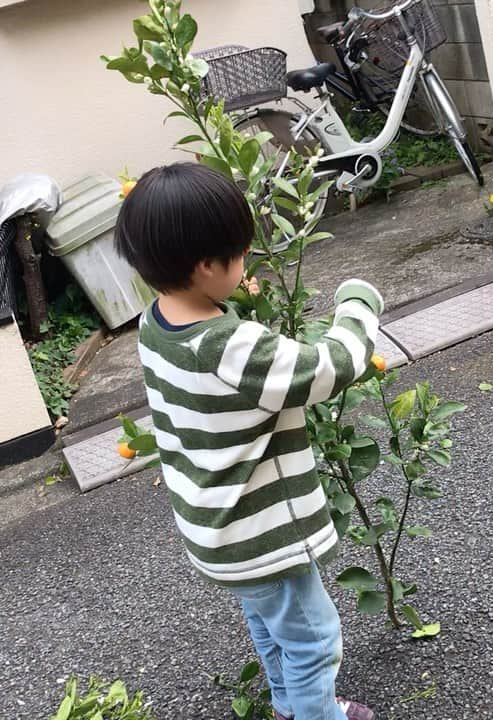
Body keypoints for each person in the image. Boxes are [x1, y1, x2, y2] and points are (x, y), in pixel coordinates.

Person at [115, 162, 381, 720]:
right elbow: (324, 369)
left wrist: (227, 296)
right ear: (206, 266)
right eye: (238, 256)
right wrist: (357, 307)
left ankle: (290, 705)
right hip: (262, 531)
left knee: (269, 623)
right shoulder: (229, 345)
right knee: (313, 639)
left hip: (218, 528)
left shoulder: (157, 321)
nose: (245, 264)